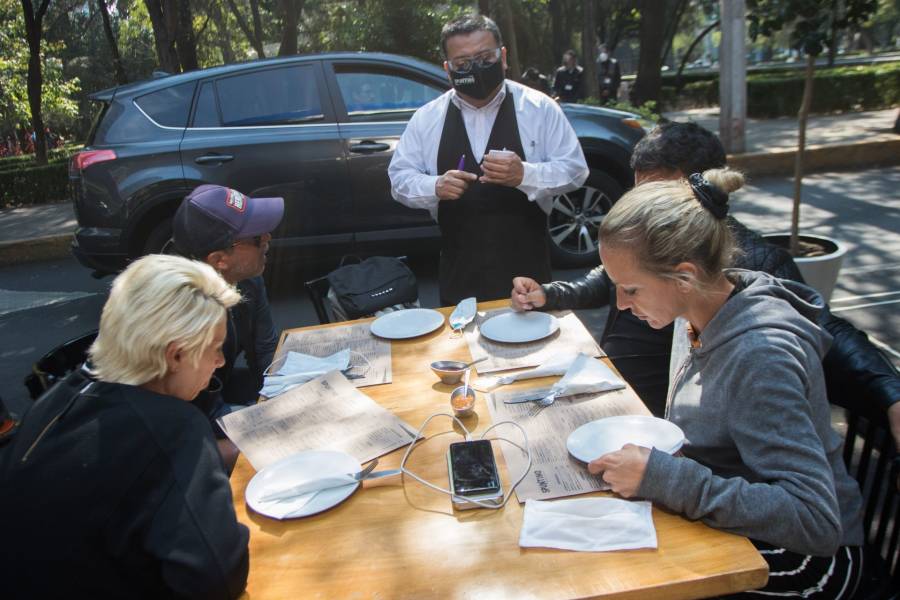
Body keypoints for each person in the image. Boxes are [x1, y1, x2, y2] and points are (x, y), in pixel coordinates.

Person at [511, 121, 900, 425]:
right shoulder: (644, 247)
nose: (643, 211)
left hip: (662, 424)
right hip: (612, 395)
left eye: (659, 200)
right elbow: (608, 279)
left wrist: (891, 394)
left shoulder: (753, 264)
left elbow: (826, 332)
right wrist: (552, 293)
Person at [589, 170, 865, 598]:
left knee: (631, 580)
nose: (622, 306)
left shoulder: (760, 357)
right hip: (745, 521)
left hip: (809, 563)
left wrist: (667, 478)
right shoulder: (695, 313)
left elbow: (814, 521)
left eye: (630, 289)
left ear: (684, 276)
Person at [0, 254, 250, 599]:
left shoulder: (61, 395)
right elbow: (219, 578)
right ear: (175, 355)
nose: (221, 362)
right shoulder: (171, 427)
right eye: (216, 348)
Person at [389, 13, 588, 306]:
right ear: (448, 69)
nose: (476, 68)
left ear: (503, 56)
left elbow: (575, 170)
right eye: (463, 64)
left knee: (532, 348)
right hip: (459, 272)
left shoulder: (538, 108)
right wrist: (434, 185)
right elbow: (399, 178)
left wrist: (526, 174)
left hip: (528, 272)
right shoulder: (427, 118)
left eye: (485, 57)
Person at [171, 185, 282, 451]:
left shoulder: (249, 281)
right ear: (219, 259)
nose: (267, 237)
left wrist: (285, 399)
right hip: (191, 419)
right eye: (256, 237)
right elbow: (188, 436)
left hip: (216, 397)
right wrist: (270, 439)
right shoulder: (180, 310)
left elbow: (266, 351)